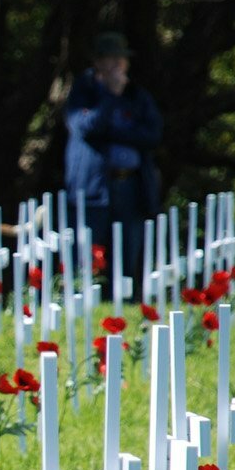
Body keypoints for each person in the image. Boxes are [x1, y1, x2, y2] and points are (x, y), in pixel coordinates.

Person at [62, 31, 161, 286]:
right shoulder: (83, 93)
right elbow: (87, 126)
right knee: (88, 259)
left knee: (126, 258)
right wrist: (110, 97)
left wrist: (114, 133)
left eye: (122, 59)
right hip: (93, 191)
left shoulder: (136, 95)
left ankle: (123, 302)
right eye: (111, 58)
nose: (118, 64)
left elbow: (153, 134)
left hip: (129, 187)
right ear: (98, 62)